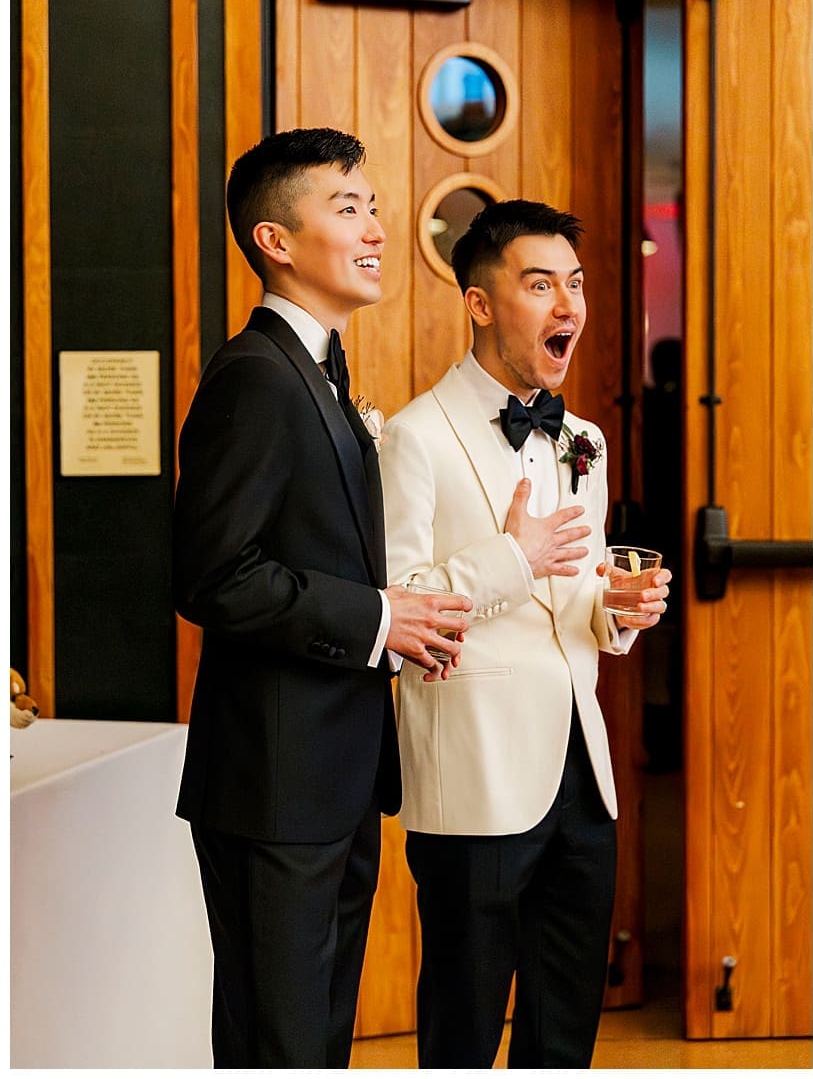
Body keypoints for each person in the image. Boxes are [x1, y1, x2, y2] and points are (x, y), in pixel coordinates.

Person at [173, 128, 471, 1067]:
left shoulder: (321, 374)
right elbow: (213, 574)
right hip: (274, 781)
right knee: (282, 1042)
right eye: (348, 208)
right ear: (276, 240)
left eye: (375, 206)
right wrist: (377, 617)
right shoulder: (256, 377)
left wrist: (401, 622)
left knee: (314, 1041)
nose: (376, 227)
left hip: (328, 774)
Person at [381, 199, 670, 1067]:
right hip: (473, 775)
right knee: (464, 1029)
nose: (567, 306)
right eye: (539, 284)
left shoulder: (584, 440)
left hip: (582, 778)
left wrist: (615, 612)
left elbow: (575, 601)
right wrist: (512, 556)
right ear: (479, 302)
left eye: (573, 285)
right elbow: (397, 609)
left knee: (565, 1025)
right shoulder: (413, 437)